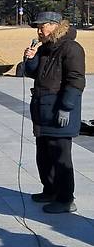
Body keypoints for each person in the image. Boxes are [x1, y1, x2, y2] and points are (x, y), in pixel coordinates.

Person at [24, 11, 86, 213]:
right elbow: (33, 73)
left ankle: (66, 199)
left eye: (42, 26)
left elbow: (76, 80)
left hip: (60, 110)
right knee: (43, 154)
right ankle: (49, 190)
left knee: (60, 157)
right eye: (37, 27)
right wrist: (31, 58)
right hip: (42, 109)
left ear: (54, 25)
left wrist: (66, 107)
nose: (39, 31)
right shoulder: (45, 49)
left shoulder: (71, 48)